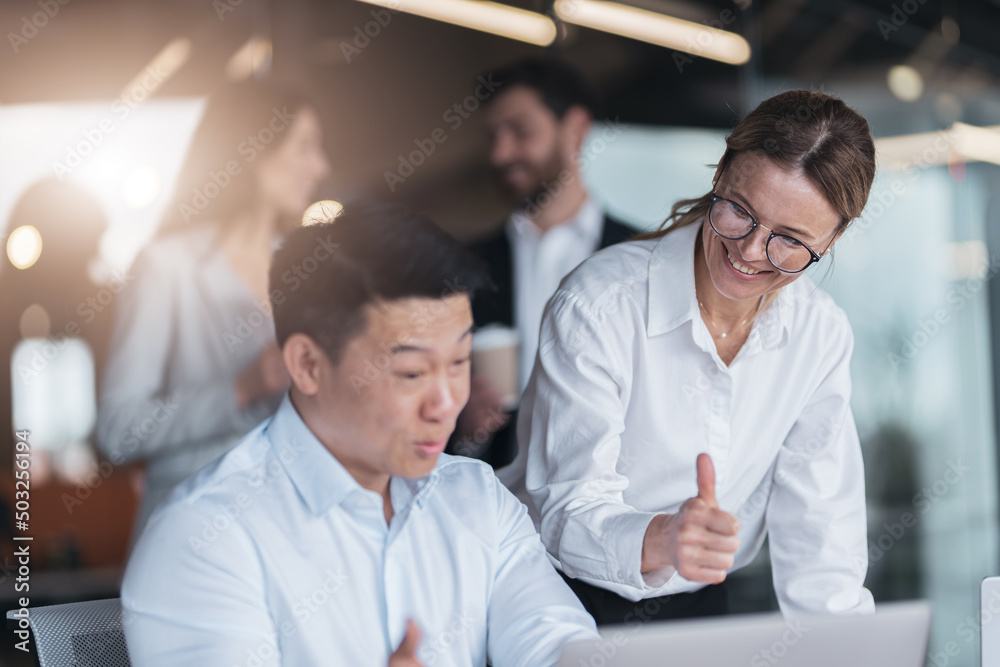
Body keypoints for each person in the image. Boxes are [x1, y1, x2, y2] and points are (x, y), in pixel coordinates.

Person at [121, 207, 599, 666]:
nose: (446, 404)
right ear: (308, 365)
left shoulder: (476, 498)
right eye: (412, 373)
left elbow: (557, 644)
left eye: (459, 363)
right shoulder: (207, 535)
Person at [515, 90, 878, 624]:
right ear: (721, 172)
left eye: (790, 241)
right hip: (559, 598)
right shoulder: (598, 305)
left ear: (835, 235)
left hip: (700, 603)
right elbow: (564, 510)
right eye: (740, 212)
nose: (751, 252)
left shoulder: (818, 334)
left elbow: (822, 542)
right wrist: (662, 538)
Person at [96, 80, 331, 536]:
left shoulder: (309, 266)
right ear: (255, 149)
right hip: (193, 532)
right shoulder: (166, 266)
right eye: (305, 146)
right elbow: (117, 430)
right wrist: (241, 387)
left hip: (294, 530)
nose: (321, 166)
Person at [451, 58, 634, 469]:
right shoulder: (463, 265)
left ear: (576, 129)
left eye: (520, 131)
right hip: (498, 500)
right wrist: (465, 430)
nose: (500, 153)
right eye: (493, 136)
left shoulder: (639, 253)